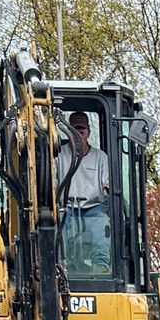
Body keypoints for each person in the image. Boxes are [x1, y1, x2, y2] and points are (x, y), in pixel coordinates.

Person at [61, 109, 112, 281]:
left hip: (93, 208)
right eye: (73, 131)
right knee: (56, 223)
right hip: (66, 207)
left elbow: (108, 183)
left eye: (81, 131)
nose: (78, 135)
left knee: (101, 224)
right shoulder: (58, 156)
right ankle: (61, 265)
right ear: (68, 133)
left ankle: (101, 266)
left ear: (88, 133)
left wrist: (109, 187)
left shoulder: (100, 158)